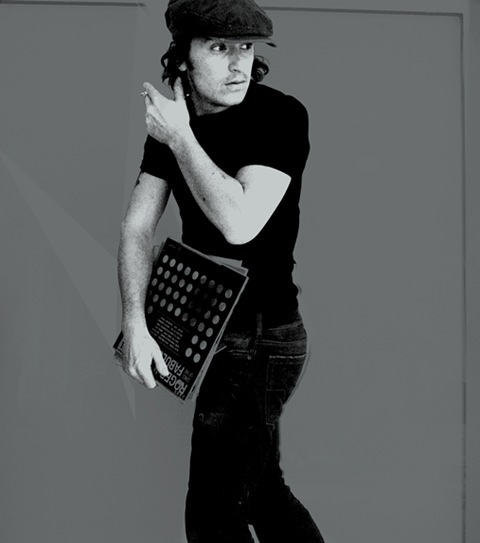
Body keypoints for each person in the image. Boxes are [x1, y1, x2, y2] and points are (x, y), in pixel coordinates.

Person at [117, 0, 325, 541]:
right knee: (263, 495)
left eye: (246, 47)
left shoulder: (280, 115)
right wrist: (135, 323)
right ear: (183, 56)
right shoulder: (173, 126)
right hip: (208, 331)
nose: (238, 64)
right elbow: (136, 227)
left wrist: (180, 137)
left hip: (263, 339)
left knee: (213, 513)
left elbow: (240, 225)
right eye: (218, 47)